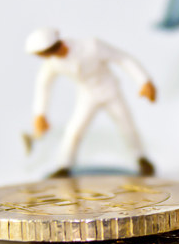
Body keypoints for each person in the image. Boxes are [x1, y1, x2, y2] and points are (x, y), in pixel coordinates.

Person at [26, 28, 156, 177]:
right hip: (87, 97)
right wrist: (40, 113)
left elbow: (123, 58)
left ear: (48, 49)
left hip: (110, 91)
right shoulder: (52, 63)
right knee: (74, 130)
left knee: (126, 125)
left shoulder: (92, 46)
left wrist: (144, 81)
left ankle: (142, 159)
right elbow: (44, 85)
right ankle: (64, 166)